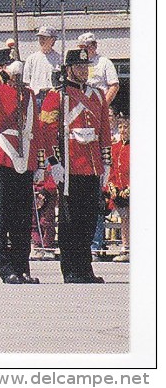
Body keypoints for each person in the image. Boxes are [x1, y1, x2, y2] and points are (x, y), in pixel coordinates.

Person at [36, 47, 113, 284]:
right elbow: (45, 131)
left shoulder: (97, 95)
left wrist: (106, 161)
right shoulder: (57, 96)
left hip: (91, 165)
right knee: (70, 220)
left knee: (89, 219)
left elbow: (104, 131)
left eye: (85, 67)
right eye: (79, 67)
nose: (83, 71)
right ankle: (70, 268)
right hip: (69, 166)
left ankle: (85, 268)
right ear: (68, 69)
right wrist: (53, 162)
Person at [0, 49, 41, 284]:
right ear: (2, 67)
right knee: (2, 216)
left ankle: (22, 266)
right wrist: (3, 76)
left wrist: (42, 161)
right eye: (12, 65)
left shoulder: (28, 93)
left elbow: (36, 129)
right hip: (4, 154)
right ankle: (6, 269)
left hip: (25, 156)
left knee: (22, 218)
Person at [107, 115, 129, 262]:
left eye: (125, 127)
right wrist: (112, 186)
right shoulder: (115, 147)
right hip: (119, 189)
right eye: (120, 127)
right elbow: (112, 169)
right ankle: (126, 247)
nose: (122, 130)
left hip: (130, 188)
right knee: (124, 219)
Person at [77, 32, 120, 106]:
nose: (84, 49)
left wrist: (104, 106)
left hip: (98, 102)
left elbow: (114, 86)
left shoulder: (105, 62)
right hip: (81, 104)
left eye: (88, 46)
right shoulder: (77, 63)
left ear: (95, 46)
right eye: (82, 47)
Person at [22, 26, 61, 99]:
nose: (41, 40)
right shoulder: (31, 58)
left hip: (53, 96)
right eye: (40, 38)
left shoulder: (59, 58)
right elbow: (26, 82)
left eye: (44, 38)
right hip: (36, 96)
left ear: (52, 40)